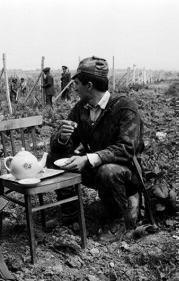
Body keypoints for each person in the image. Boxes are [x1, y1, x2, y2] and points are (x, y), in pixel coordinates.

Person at [47, 56, 144, 242]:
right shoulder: (80, 108)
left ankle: (118, 221)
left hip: (126, 174)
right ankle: (70, 213)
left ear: (89, 85)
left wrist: (87, 159)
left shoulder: (124, 107)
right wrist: (63, 137)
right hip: (95, 168)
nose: (74, 88)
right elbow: (61, 147)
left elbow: (127, 148)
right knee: (54, 157)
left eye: (76, 83)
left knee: (108, 171)